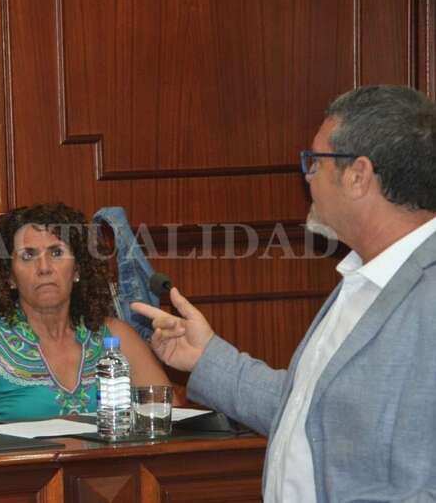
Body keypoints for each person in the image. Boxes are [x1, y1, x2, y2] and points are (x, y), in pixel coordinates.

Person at [132, 85, 436, 502]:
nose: (306, 177)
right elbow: (310, 412)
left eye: (314, 162)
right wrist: (205, 358)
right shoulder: (362, 279)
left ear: (358, 175)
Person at [0, 203, 173, 424]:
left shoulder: (117, 336)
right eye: (28, 256)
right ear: (9, 277)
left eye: (57, 253)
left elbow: (168, 422)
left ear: (78, 269)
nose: (44, 268)